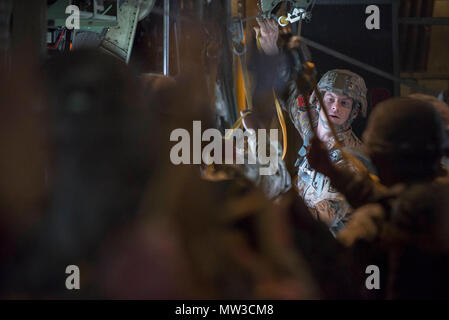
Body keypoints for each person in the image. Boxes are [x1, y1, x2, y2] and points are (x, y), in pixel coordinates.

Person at [307, 97, 449, 298]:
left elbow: (328, 281)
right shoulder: (435, 199)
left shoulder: (373, 225)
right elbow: (385, 199)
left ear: (378, 158)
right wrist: (331, 172)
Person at [256, 18, 369, 234]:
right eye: (330, 99)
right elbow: (288, 89)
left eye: (344, 103)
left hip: (328, 248)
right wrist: (270, 48)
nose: (335, 107)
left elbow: (321, 216)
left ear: (354, 112)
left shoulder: (353, 161)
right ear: (318, 102)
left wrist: (270, 209)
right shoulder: (311, 123)